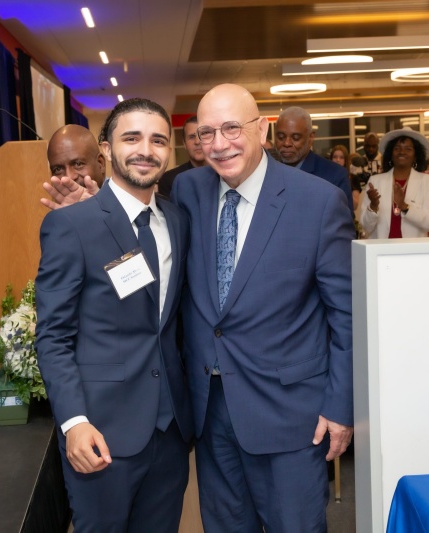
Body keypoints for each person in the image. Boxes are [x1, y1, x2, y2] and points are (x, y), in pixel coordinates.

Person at [172, 84, 354, 533]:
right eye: (207, 132)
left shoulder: (318, 200)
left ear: (263, 129)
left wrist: (341, 406)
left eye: (232, 128)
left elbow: (347, 315)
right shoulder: (186, 191)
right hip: (211, 410)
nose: (219, 144)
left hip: (291, 413)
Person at [35, 98, 193, 532]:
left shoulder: (178, 222)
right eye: (132, 138)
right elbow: (52, 337)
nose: (146, 149)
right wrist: (74, 422)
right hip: (101, 432)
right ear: (105, 149)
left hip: (170, 431)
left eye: (158, 139)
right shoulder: (71, 225)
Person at [359, 127, 429, 239]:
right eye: (397, 148)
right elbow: (366, 226)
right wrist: (373, 206)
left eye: (408, 149)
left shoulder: (428, 181)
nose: (402, 152)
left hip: (413, 253)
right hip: (381, 252)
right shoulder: (375, 181)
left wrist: (404, 206)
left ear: (416, 155)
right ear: (390, 154)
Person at [274, 107, 354, 214]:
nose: (287, 143)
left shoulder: (335, 175)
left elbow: (342, 226)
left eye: (296, 138)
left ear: (311, 138)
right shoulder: (267, 172)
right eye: (281, 137)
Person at [41, 125, 105, 210]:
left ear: (100, 164)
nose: (68, 177)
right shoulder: (59, 217)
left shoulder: (124, 203)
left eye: (78, 164)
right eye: (58, 169)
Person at [157, 115, 205, 199]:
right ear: (184, 144)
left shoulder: (224, 175)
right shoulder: (169, 180)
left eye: (202, 135)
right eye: (192, 137)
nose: (197, 142)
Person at [331, 144, 359, 211]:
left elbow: (354, 206)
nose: (338, 160)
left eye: (341, 157)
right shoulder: (325, 177)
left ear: (345, 160)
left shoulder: (353, 178)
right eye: (335, 157)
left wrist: (344, 184)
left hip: (347, 217)